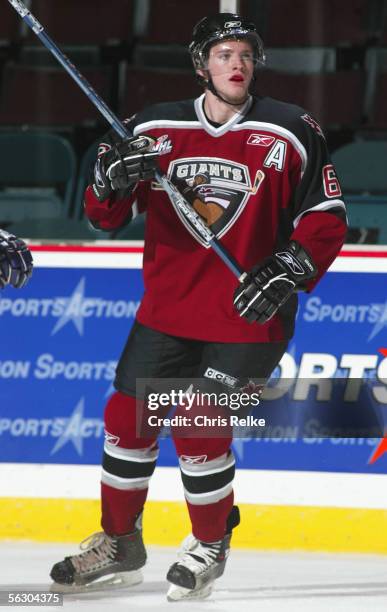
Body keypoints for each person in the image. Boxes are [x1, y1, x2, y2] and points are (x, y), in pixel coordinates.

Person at [50, 13, 347, 601]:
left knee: (198, 422)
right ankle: (120, 542)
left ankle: (210, 543)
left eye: (245, 54)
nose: (237, 64)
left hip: (248, 316)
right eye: (223, 54)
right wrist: (108, 181)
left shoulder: (291, 128)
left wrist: (290, 268)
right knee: (125, 423)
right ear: (200, 64)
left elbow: (325, 217)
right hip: (167, 312)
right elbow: (103, 214)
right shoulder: (151, 127)